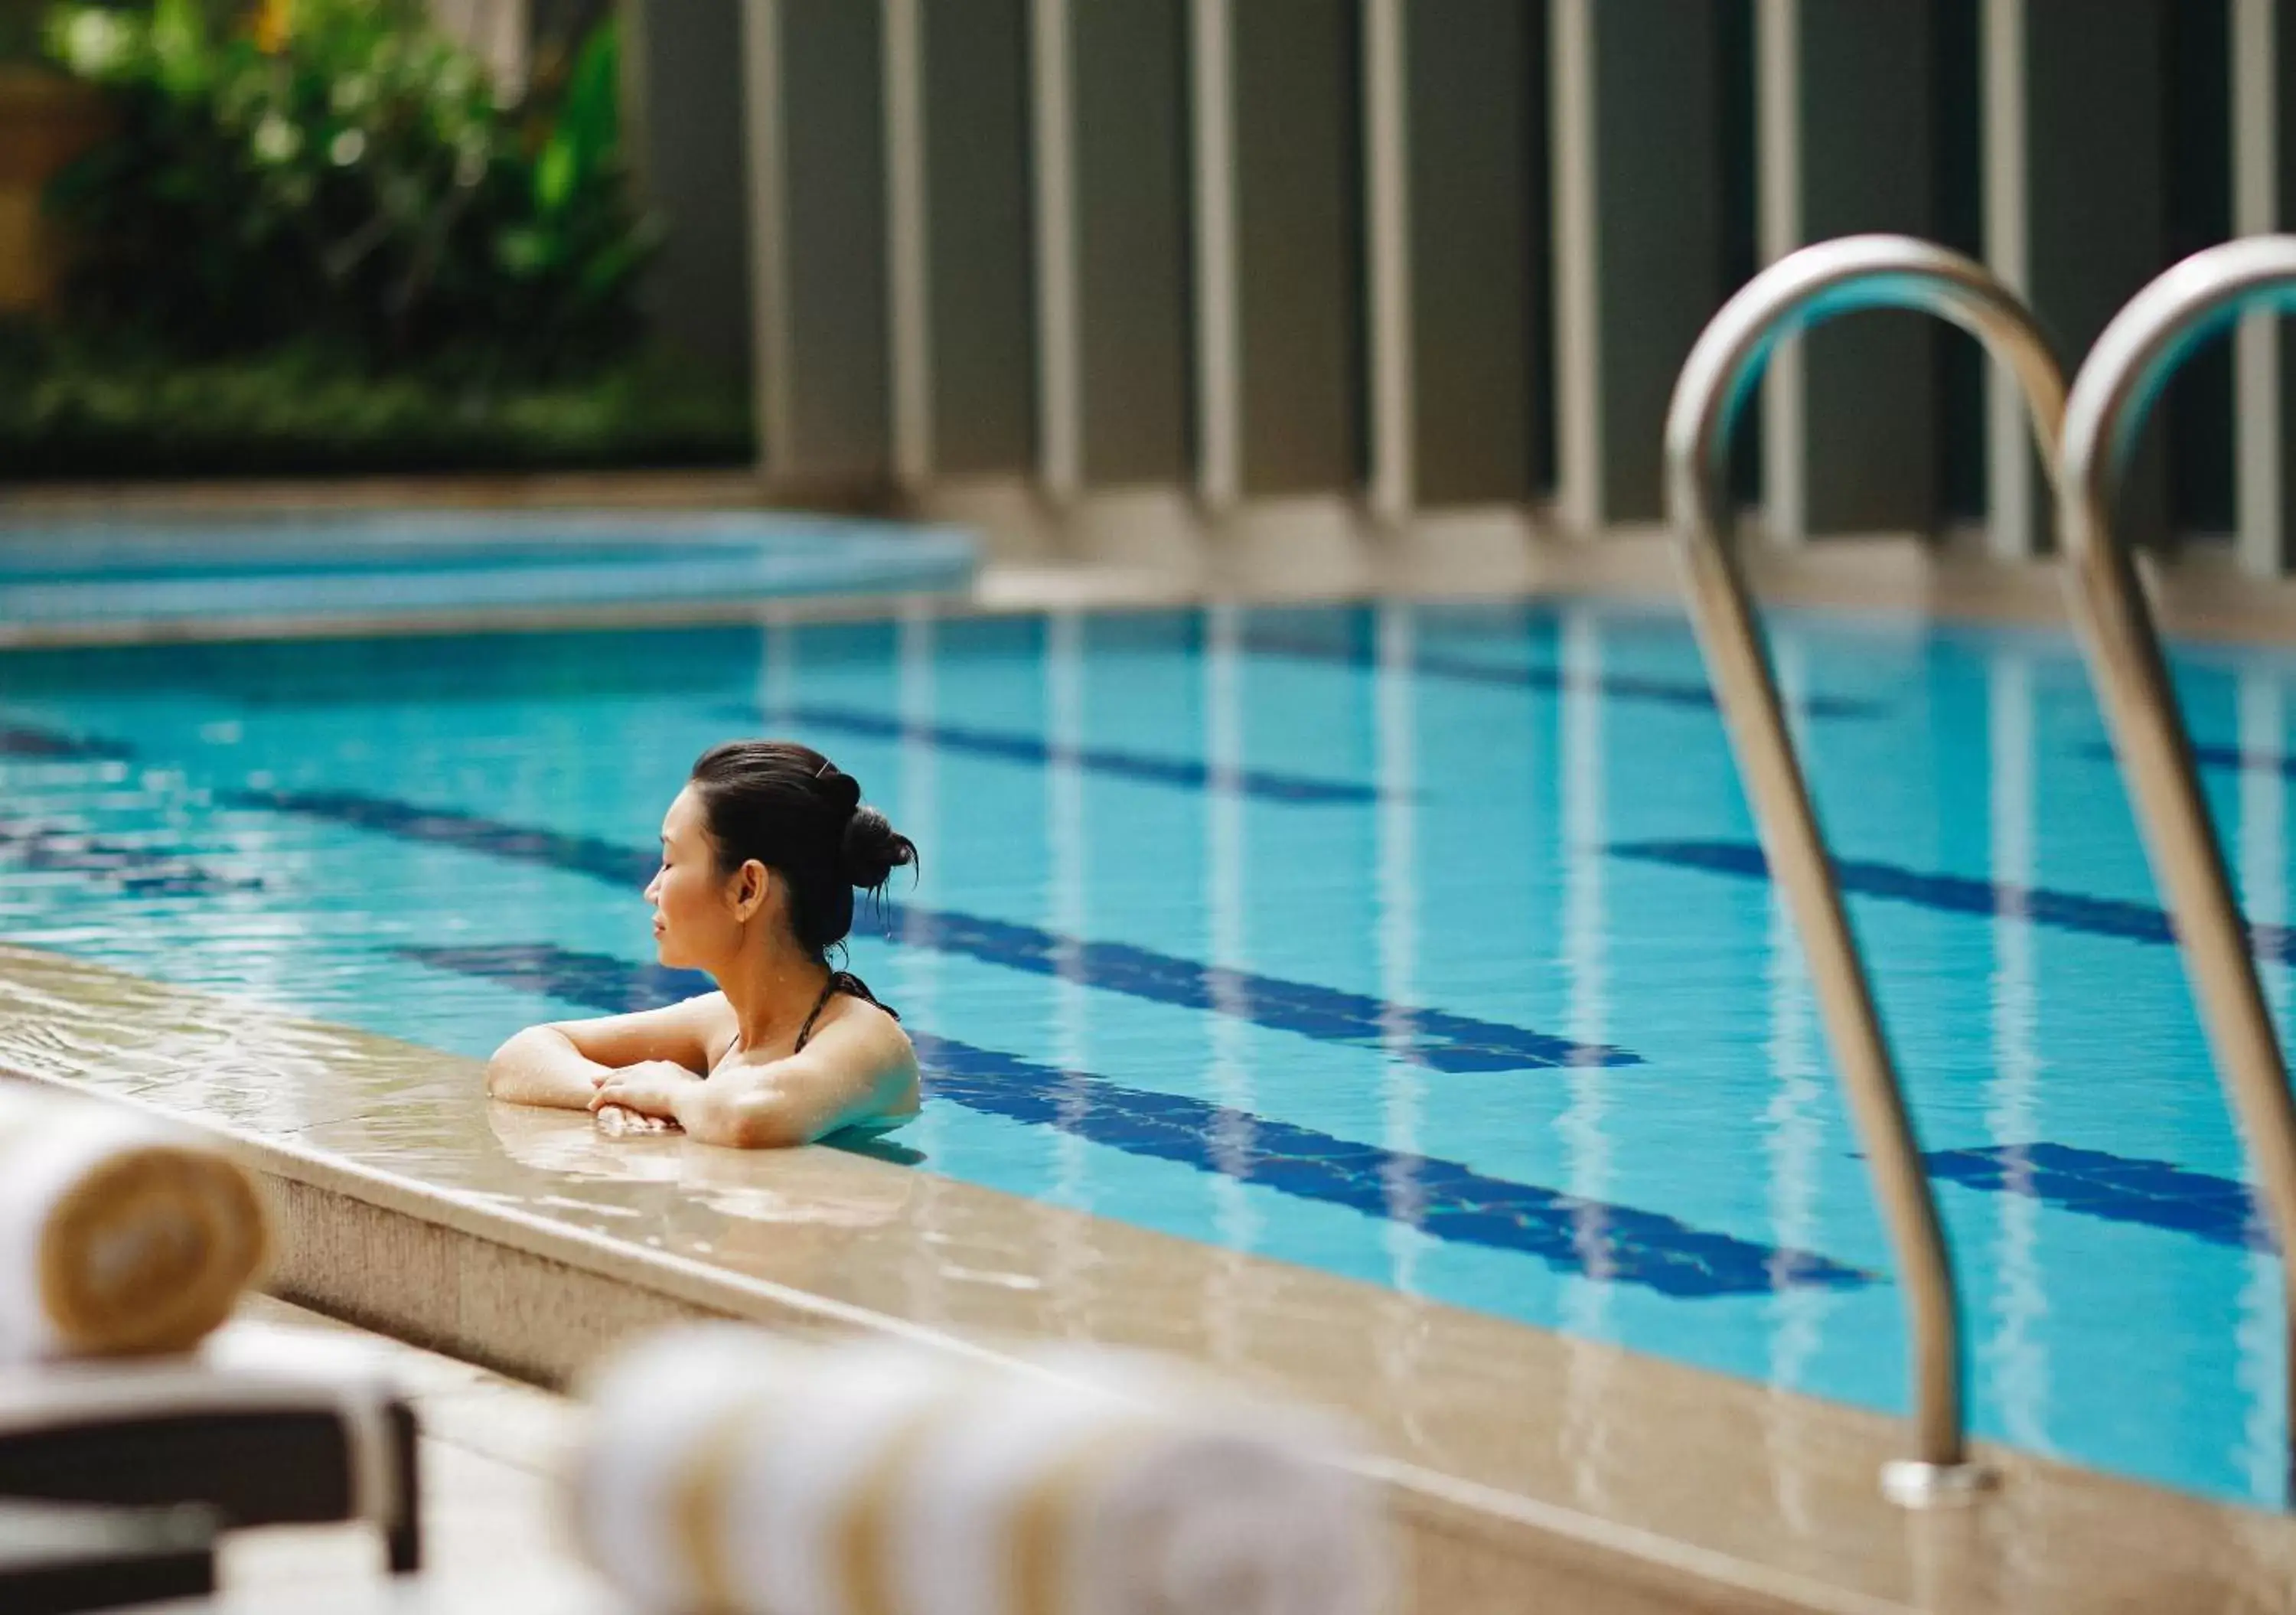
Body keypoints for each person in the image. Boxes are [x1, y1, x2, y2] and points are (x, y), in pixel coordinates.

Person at [485, 741, 921, 1147]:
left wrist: (671, 1091)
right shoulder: (722, 1021)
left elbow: (749, 1118)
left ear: (747, 889)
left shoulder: (868, 1040)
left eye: (671, 862)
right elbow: (521, 1055)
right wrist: (624, 1095)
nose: (652, 890)